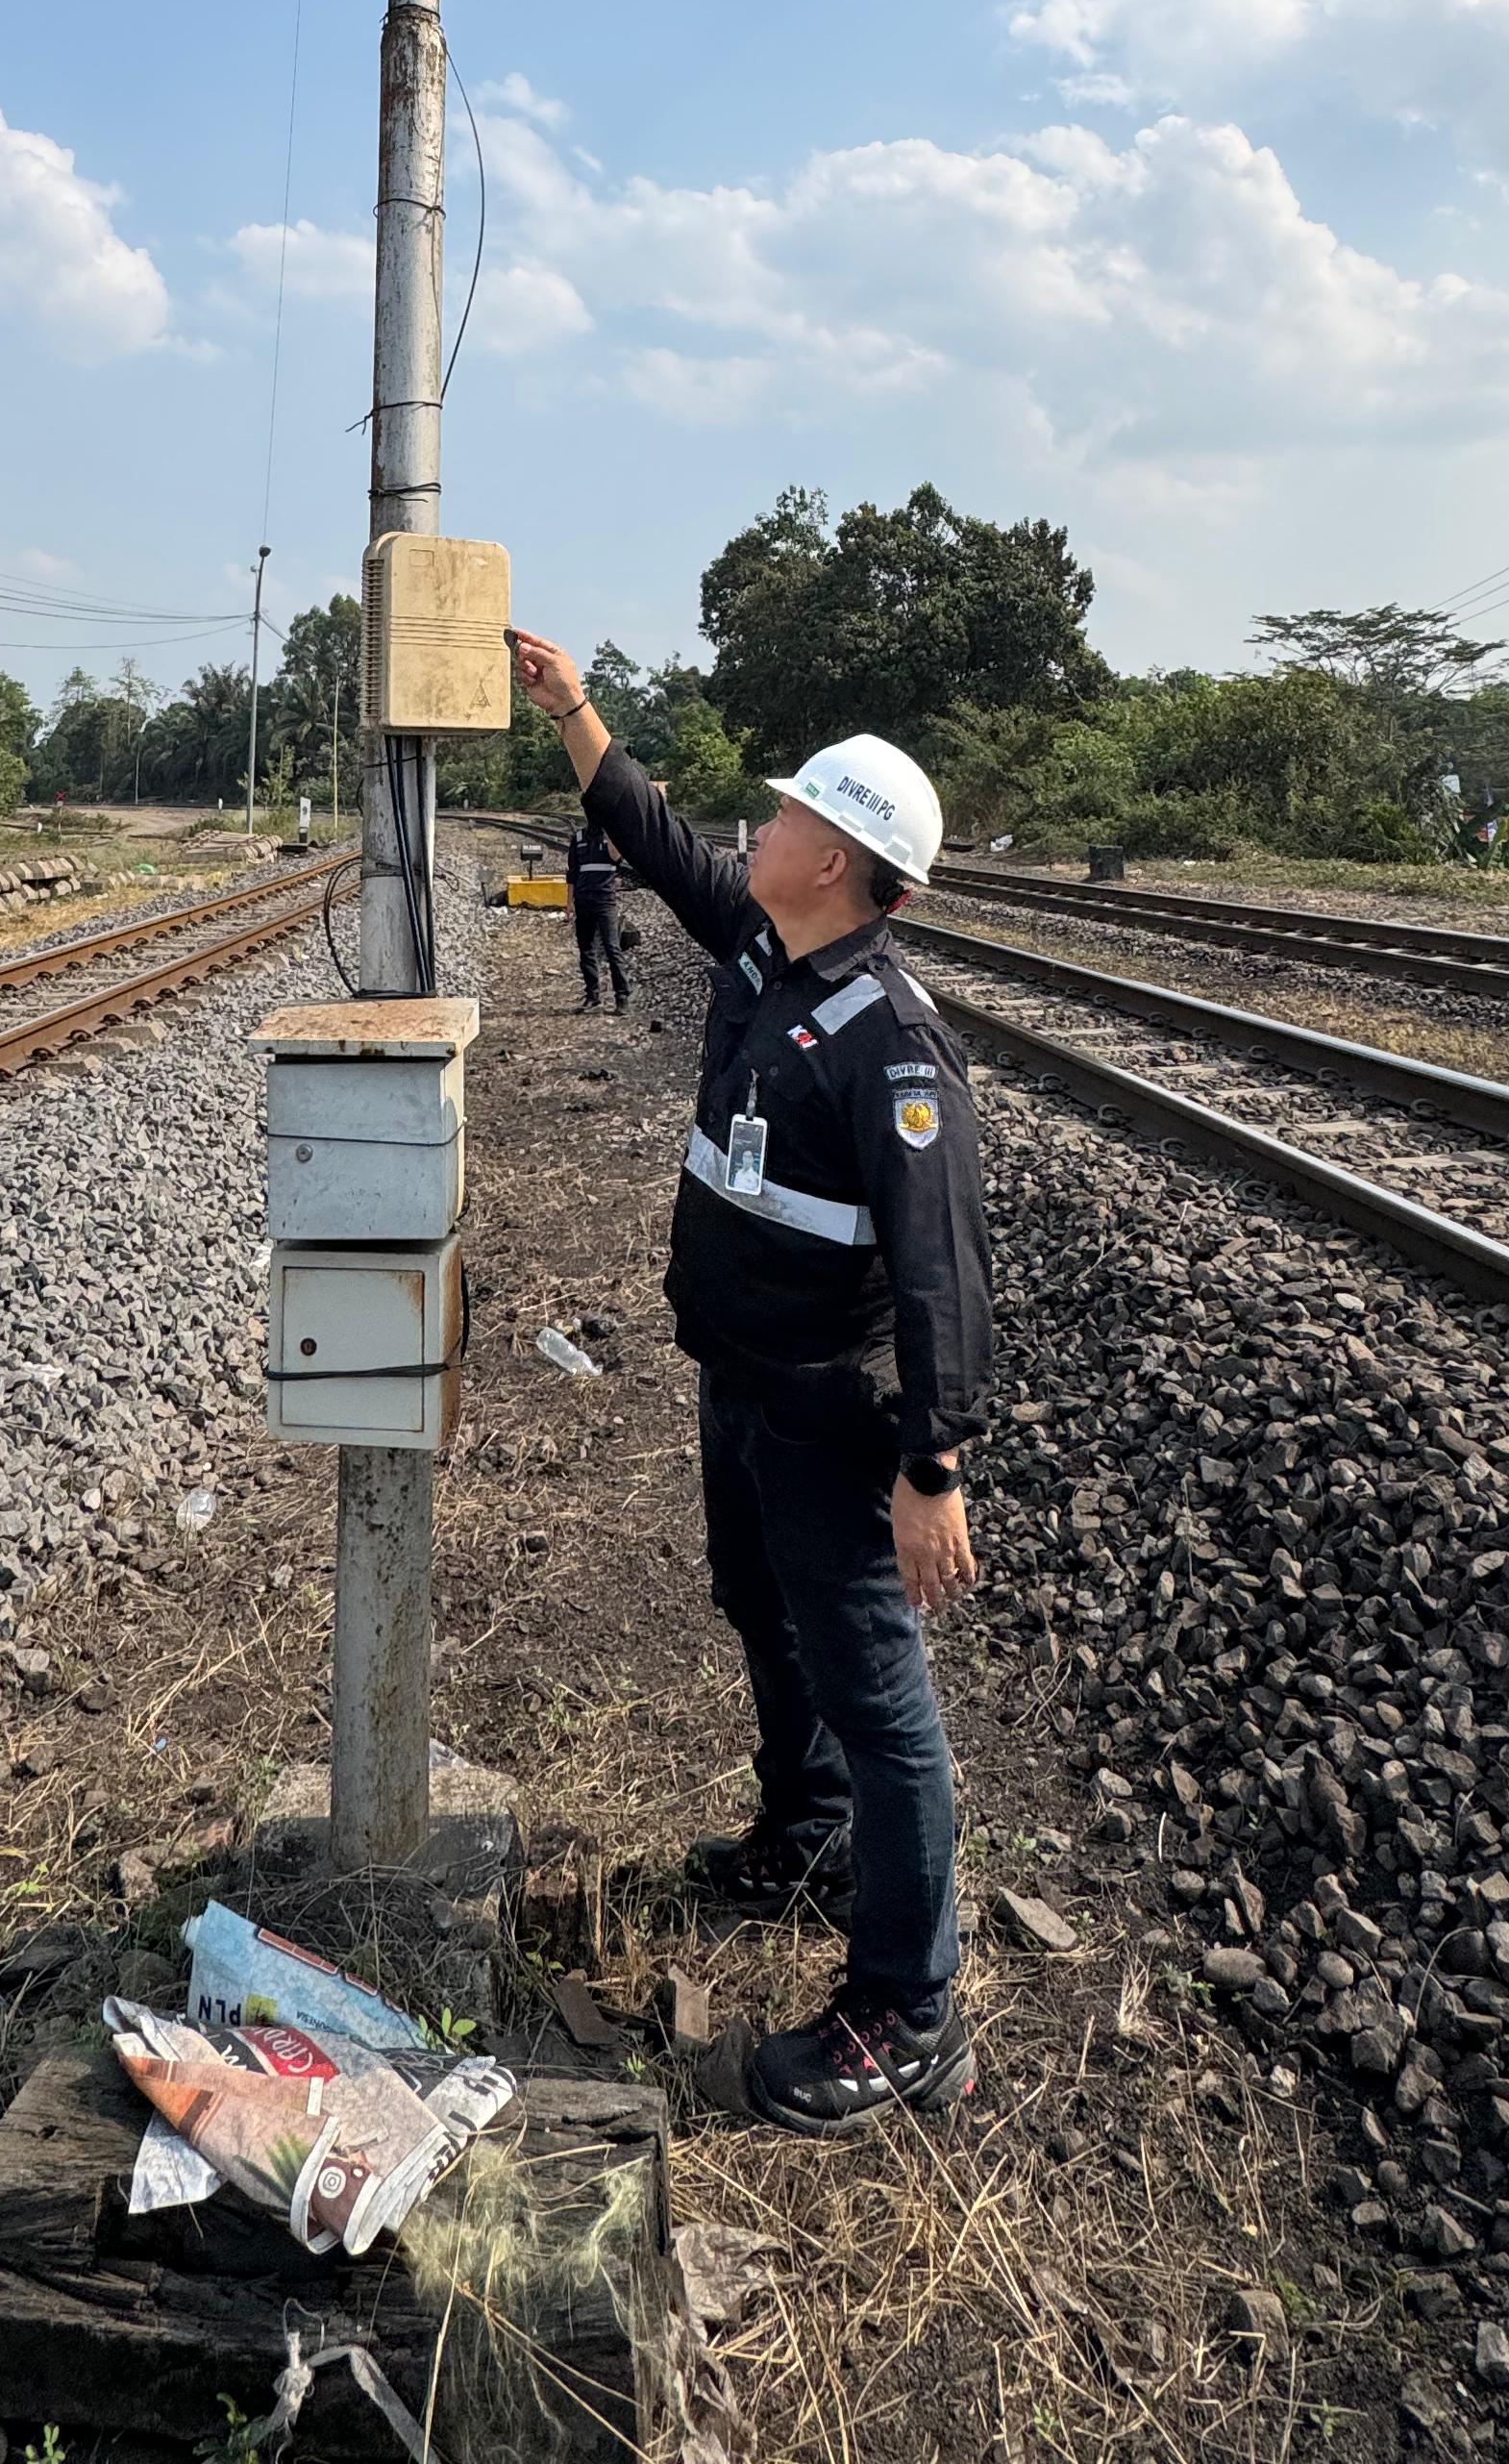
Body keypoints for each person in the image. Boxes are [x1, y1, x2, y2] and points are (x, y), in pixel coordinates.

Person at [507, 626, 991, 2134]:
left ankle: (911, 2010)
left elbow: (941, 1283)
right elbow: (647, 837)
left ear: (838, 863)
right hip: (741, 1385)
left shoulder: (893, 1046)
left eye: (785, 817)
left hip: (829, 1421)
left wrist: (933, 1474)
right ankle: (808, 1827)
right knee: (756, 1607)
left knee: (883, 1697)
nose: (757, 828)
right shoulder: (770, 956)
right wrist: (572, 709)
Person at [564, 802, 630, 1013]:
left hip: (605, 902)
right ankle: (593, 996)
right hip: (583, 902)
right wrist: (569, 903)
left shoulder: (611, 838)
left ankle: (622, 998)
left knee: (612, 948)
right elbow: (572, 873)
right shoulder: (579, 839)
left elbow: (616, 858)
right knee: (586, 950)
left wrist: (611, 831)